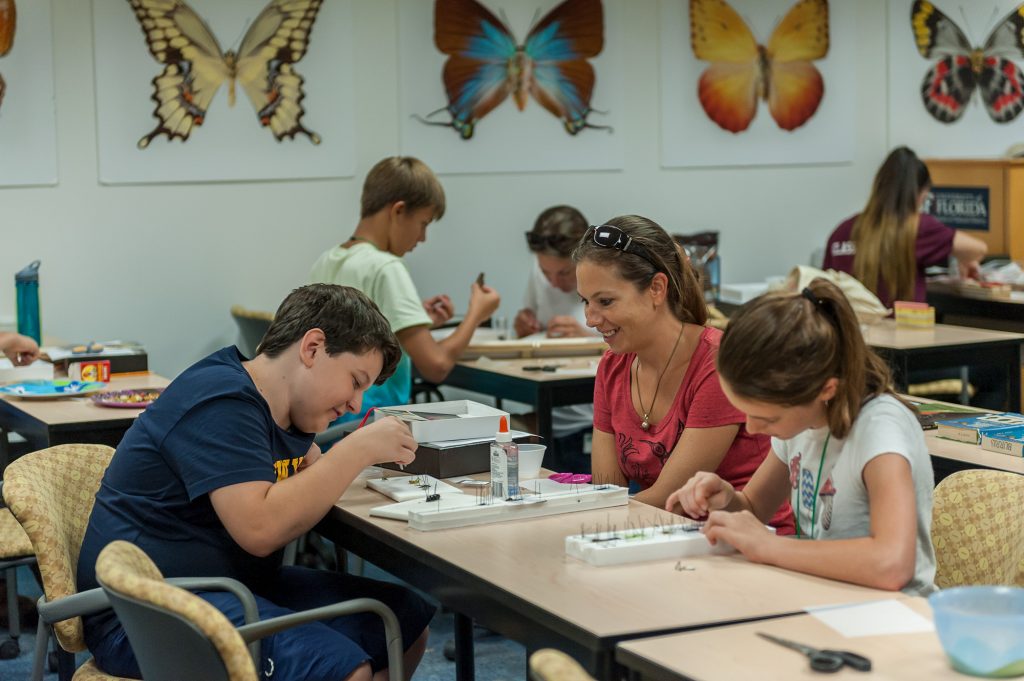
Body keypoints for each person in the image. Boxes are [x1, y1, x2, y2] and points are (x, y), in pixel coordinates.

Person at [77, 284, 434, 681]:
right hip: (147, 612)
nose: (355, 404)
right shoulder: (222, 400)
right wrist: (357, 450)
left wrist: (321, 455)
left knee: (406, 624)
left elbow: (303, 471)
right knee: (345, 669)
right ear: (313, 348)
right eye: (355, 381)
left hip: (231, 586)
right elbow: (260, 529)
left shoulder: (281, 409)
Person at [666, 279, 936, 595]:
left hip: (896, 612)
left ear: (826, 389)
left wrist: (769, 546)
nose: (751, 429)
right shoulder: (800, 421)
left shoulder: (880, 428)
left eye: (767, 418)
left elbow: (892, 565)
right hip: (824, 596)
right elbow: (754, 508)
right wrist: (724, 500)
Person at [573, 215, 793, 533]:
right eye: (585, 302)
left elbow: (668, 499)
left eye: (605, 301)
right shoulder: (612, 367)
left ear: (657, 289)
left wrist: (585, 524)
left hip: (743, 542)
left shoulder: (715, 363)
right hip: (666, 537)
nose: (591, 319)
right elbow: (608, 493)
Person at [309, 156, 500, 422]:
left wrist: (411, 321)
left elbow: (354, 335)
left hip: (326, 424)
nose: (422, 238)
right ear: (398, 211)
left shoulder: (329, 258)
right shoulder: (387, 267)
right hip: (367, 422)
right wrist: (476, 316)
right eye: (423, 224)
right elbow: (436, 366)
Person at [823, 146, 987, 309]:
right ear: (919, 193)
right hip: (903, 330)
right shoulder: (917, 227)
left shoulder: (842, 231)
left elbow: (824, 288)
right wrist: (965, 259)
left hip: (851, 332)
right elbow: (979, 249)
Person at [514, 205, 597, 472]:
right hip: (548, 413)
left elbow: (637, 350)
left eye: (563, 273)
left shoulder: (606, 279)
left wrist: (586, 338)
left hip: (589, 420)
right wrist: (524, 324)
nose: (552, 282)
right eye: (545, 273)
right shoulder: (543, 270)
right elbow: (529, 320)